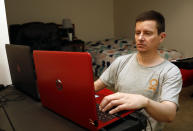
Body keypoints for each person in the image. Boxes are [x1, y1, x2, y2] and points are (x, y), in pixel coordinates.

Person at [94, 10, 182, 131]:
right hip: (119, 124)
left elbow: (169, 115)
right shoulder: (121, 61)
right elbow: (95, 86)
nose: (140, 38)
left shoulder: (170, 71)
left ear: (161, 37)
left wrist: (145, 102)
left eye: (147, 33)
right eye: (137, 33)